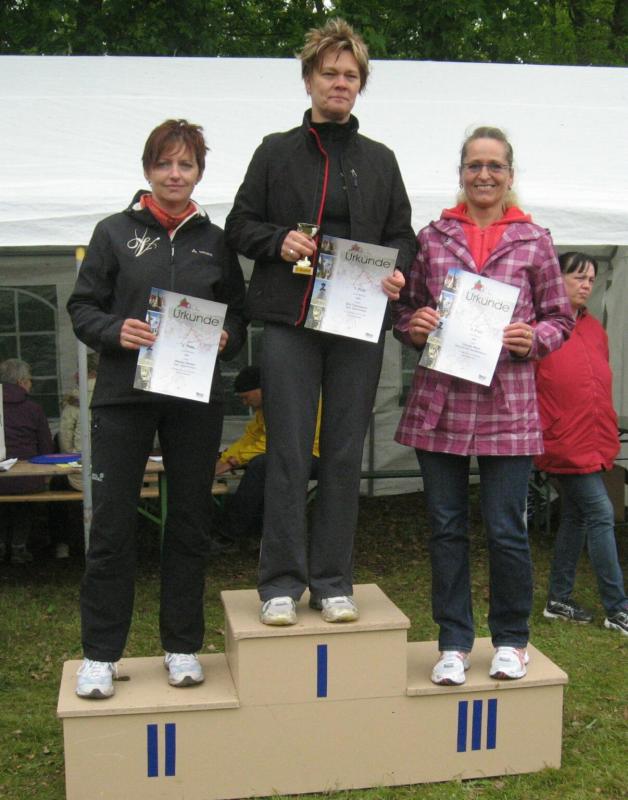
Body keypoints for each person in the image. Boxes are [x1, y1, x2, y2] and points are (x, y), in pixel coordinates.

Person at [225, 18, 416, 626]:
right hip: (290, 319)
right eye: (329, 73)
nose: (340, 83)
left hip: (356, 324)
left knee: (341, 452)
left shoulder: (381, 160)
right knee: (286, 449)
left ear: (361, 85)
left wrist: (397, 272)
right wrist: (277, 241)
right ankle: (280, 582)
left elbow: (403, 236)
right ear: (308, 79)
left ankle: (333, 581)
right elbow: (238, 225)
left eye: (350, 75)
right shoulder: (275, 151)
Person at [67, 119, 246, 698]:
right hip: (123, 397)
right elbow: (82, 307)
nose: (174, 174)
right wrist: (115, 330)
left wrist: (228, 338)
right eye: (165, 163)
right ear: (148, 169)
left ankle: (182, 646)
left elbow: (238, 313)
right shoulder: (114, 232)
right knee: (112, 525)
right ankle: (100, 654)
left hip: (193, 400)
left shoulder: (215, 240)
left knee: (190, 523)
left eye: (185, 164)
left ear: (199, 173)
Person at [393, 126, 574, 685]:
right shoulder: (432, 237)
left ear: (510, 174)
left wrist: (533, 338)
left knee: (505, 529)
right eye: (475, 165)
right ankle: (453, 642)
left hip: (508, 405)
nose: (484, 175)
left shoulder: (535, 240)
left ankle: (512, 639)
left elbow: (560, 318)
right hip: (441, 404)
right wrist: (414, 325)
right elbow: (407, 309)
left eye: (495, 165)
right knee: (446, 528)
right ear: (461, 173)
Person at [535, 252, 627, 636]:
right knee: (601, 513)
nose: (587, 285)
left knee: (576, 516)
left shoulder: (594, 329)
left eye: (591, 278)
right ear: (557, 280)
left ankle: (558, 600)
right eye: (578, 277)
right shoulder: (540, 328)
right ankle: (618, 609)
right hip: (562, 442)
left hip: (591, 439)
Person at [214, 365, 320, 550]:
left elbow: (276, 441)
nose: (245, 403)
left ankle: (228, 534)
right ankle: (255, 531)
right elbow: (251, 437)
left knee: (260, 465)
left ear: (261, 389)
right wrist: (226, 458)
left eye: (246, 397)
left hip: (316, 456)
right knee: (258, 465)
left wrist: (233, 461)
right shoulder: (268, 406)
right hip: (293, 454)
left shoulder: (290, 402)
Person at [0, 359, 54, 563]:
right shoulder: (34, 408)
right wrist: (47, 476)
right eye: (30, 380)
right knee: (24, 503)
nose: (31, 384)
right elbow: (46, 446)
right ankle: (19, 547)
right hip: (28, 480)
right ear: (21, 382)